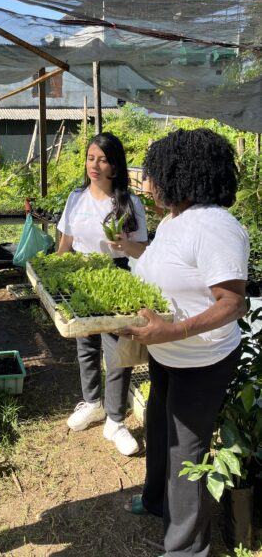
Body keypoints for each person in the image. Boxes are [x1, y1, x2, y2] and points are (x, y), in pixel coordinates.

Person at [113, 128, 249, 557]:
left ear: (181, 175)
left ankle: (186, 549)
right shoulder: (176, 219)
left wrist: (172, 331)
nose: (148, 184)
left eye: (154, 175)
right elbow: (168, 264)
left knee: (185, 453)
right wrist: (132, 250)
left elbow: (232, 303)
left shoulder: (216, 226)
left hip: (201, 361)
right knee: (158, 430)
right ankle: (157, 502)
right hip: (168, 354)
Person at [57, 132, 148, 456]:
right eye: (91, 157)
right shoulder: (76, 198)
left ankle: (115, 421)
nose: (95, 165)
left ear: (115, 166)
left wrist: (125, 245)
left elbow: (144, 250)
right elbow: (64, 244)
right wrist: (57, 275)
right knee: (86, 344)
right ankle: (92, 402)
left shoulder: (128, 202)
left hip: (116, 275)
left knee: (117, 351)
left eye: (103, 159)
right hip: (81, 275)